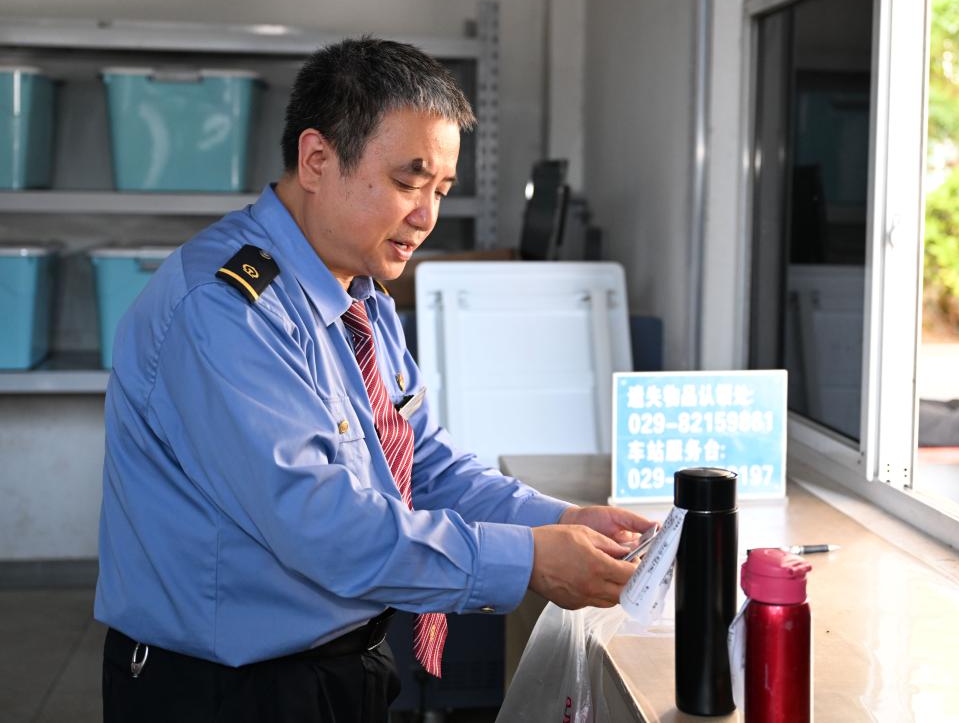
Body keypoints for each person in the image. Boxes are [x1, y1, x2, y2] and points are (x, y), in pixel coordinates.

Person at [95, 37, 653, 723]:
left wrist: (559, 520)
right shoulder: (227, 310)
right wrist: (528, 561)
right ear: (316, 160)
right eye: (407, 182)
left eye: (440, 191)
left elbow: (423, 464)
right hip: (226, 691)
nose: (426, 217)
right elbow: (319, 525)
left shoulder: (361, 295)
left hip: (343, 663)